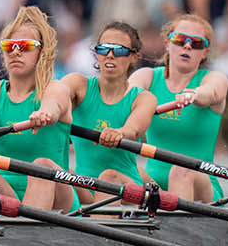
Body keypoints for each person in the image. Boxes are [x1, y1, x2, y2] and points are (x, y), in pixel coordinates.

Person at [129, 14, 228, 203]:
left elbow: (212, 91)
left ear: (205, 52)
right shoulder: (146, 77)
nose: (187, 46)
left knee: (180, 169)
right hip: (154, 184)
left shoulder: (214, 79)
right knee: (120, 171)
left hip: (199, 185)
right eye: (180, 39)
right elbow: (126, 97)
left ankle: (176, 217)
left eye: (197, 43)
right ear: (167, 43)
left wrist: (195, 95)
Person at [0, 6, 77, 212]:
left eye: (26, 46)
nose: (16, 52)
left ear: (42, 53)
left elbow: (53, 104)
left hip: (56, 195)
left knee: (42, 165)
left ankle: (26, 228)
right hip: (5, 192)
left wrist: (45, 113)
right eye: (9, 45)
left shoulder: (55, 88)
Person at [62, 22, 157, 205]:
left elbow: (134, 129)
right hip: (85, 187)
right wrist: (48, 111)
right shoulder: (78, 84)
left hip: (125, 188)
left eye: (119, 50)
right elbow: (56, 97)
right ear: (96, 53)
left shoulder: (144, 98)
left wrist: (119, 133)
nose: (110, 55)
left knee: (108, 176)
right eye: (104, 49)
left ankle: (101, 221)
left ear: (134, 57)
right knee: (59, 172)